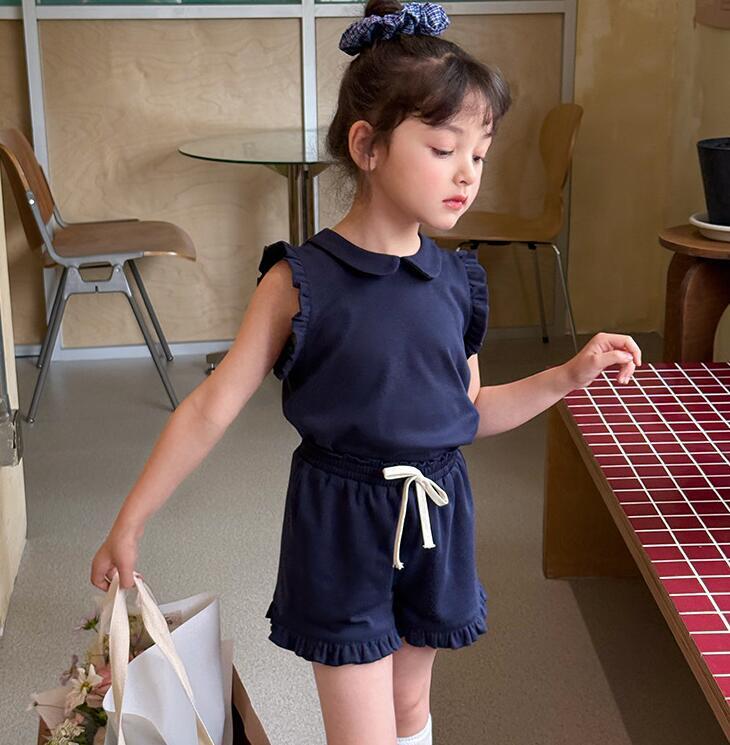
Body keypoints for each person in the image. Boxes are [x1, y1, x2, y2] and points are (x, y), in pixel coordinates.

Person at [91, 1, 642, 743]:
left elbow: (468, 412)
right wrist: (129, 521)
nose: (467, 174)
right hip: (341, 527)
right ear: (367, 145)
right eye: (444, 148)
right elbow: (210, 408)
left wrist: (568, 375)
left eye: (480, 155)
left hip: (435, 518)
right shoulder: (298, 282)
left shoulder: (456, 282)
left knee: (410, 711)